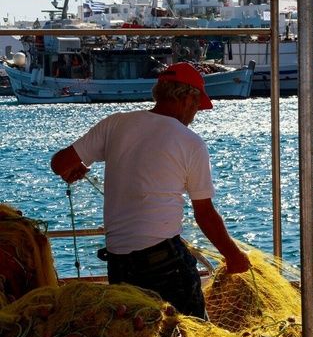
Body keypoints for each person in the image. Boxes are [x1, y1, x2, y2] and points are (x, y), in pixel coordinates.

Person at [50, 62, 250, 317]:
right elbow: (204, 213)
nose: (194, 114)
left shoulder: (115, 124)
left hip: (119, 264)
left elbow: (59, 164)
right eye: (197, 107)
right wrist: (233, 256)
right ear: (188, 98)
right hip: (163, 263)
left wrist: (75, 168)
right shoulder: (190, 142)